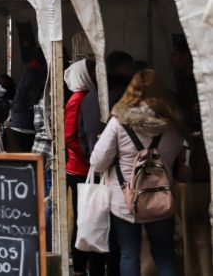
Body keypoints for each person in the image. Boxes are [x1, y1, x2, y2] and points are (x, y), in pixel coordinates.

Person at [90, 70, 183, 276]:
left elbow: (97, 162)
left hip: (125, 200)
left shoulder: (118, 122)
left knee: (129, 255)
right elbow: (177, 152)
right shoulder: (172, 124)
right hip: (161, 197)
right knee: (165, 254)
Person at [63, 59, 106, 275]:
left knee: (87, 219)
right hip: (80, 169)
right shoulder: (79, 99)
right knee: (85, 220)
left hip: (83, 167)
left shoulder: (84, 97)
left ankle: (85, 264)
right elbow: (70, 136)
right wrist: (89, 155)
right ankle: (81, 267)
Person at [9, 48, 47, 152]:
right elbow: (33, 101)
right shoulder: (37, 74)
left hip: (19, 123)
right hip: (26, 126)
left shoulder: (29, 72)